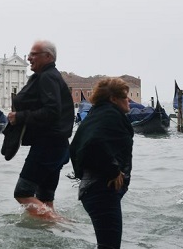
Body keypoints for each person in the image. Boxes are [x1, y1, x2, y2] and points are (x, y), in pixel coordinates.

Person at [7, 40, 74, 220]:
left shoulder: (47, 77)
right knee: (45, 199)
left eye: (33, 54)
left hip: (48, 147)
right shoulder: (50, 76)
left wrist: (19, 116)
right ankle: (52, 234)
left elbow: (52, 111)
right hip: (58, 147)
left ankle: (62, 225)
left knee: (22, 193)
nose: (29, 58)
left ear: (48, 56)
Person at [70, 78, 134, 249]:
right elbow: (93, 144)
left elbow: (75, 148)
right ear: (113, 99)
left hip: (92, 189)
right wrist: (112, 171)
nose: (129, 100)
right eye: (125, 96)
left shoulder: (95, 115)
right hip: (101, 190)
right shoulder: (110, 114)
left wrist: (83, 174)